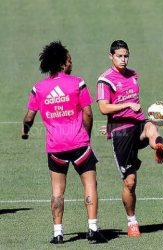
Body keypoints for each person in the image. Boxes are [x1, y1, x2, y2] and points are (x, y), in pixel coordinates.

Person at [21, 41, 107, 244]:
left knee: (57, 190)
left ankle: (58, 233)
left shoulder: (39, 88)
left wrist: (25, 131)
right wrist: (86, 135)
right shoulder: (77, 83)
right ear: (61, 63)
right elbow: (88, 113)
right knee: (90, 183)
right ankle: (93, 229)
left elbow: (29, 117)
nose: (71, 63)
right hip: (79, 144)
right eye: (69, 60)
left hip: (55, 147)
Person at [96, 40, 163, 236]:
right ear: (111, 56)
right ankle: (132, 221)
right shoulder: (105, 80)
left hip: (138, 125)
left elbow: (136, 106)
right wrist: (126, 107)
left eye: (126, 55)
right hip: (121, 133)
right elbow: (103, 108)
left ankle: (158, 147)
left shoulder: (133, 75)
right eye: (119, 56)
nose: (123, 59)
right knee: (130, 182)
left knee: (151, 126)